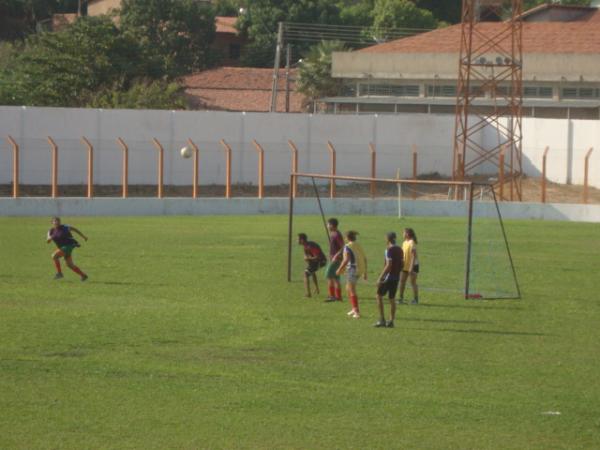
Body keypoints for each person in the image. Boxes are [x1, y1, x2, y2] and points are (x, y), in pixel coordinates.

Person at [375, 232, 404, 328]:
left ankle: (382, 320)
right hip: (396, 277)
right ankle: (391, 321)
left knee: (378, 296)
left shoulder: (388, 250)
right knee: (392, 299)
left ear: (387, 239)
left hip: (388, 277)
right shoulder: (400, 249)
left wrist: (380, 278)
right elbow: (402, 263)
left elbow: (388, 265)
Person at [336, 230, 367, 319]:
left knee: (351, 289)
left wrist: (339, 269)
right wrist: (365, 272)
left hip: (352, 269)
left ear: (347, 238)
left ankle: (356, 312)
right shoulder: (358, 245)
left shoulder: (347, 247)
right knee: (348, 288)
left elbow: (346, 260)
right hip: (360, 269)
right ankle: (353, 308)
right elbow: (365, 258)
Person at [47, 217, 88, 281]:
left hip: (69, 245)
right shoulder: (51, 231)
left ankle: (59, 273)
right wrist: (50, 238)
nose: (57, 222)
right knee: (69, 265)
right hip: (62, 248)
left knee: (54, 256)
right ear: (52, 222)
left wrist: (83, 236)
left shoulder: (65, 227)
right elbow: (48, 240)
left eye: (58, 221)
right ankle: (83, 275)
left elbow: (75, 229)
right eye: (55, 221)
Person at [297, 233, 327, 298]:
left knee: (305, 274)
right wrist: (307, 257)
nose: (297, 241)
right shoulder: (305, 246)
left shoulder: (310, 246)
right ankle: (316, 289)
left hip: (321, 261)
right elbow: (307, 255)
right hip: (315, 261)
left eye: (298, 239)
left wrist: (308, 258)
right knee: (310, 271)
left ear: (302, 240)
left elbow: (318, 257)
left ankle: (308, 294)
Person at [325, 218, 345, 302]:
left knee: (329, 275)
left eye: (328, 224)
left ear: (332, 225)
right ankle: (338, 296)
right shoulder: (333, 233)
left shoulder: (337, 234)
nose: (327, 226)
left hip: (336, 259)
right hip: (333, 257)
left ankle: (332, 296)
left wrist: (336, 255)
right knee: (336, 278)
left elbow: (343, 246)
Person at [399, 227, 419, 305]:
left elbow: (414, 256)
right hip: (405, 265)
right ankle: (400, 298)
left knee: (413, 282)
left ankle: (416, 299)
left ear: (407, 234)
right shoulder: (404, 242)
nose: (403, 234)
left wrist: (411, 267)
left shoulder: (412, 242)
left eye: (403, 232)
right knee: (402, 281)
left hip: (413, 265)